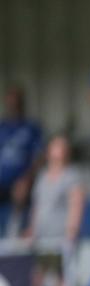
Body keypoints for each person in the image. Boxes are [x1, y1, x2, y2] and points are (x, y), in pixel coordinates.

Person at [23, 136, 84, 286]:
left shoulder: (72, 176)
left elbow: (76, 205)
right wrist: (31, 229)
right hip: (42, 238)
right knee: (36, 280)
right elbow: (37, 207)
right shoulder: (42, 177)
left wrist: (71, 232)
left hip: (60, 238)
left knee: (61, 282)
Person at [0, 86, 42, 238]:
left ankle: (15, 227)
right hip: (2, 178)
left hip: (22, 178)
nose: (12, 104)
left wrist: (28, 176)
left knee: (21, 188)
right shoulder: (2, 126)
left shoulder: (31, 127)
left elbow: (39, 156)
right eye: (10, 101)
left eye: (15, 101)